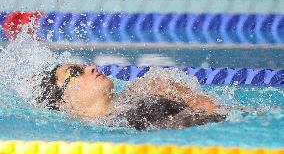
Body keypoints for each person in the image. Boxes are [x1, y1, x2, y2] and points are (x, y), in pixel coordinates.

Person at [36, 64, 228, 130]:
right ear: (62, 102)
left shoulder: (146, 88)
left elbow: (213, 109)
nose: (90, 67)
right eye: (75, 72)